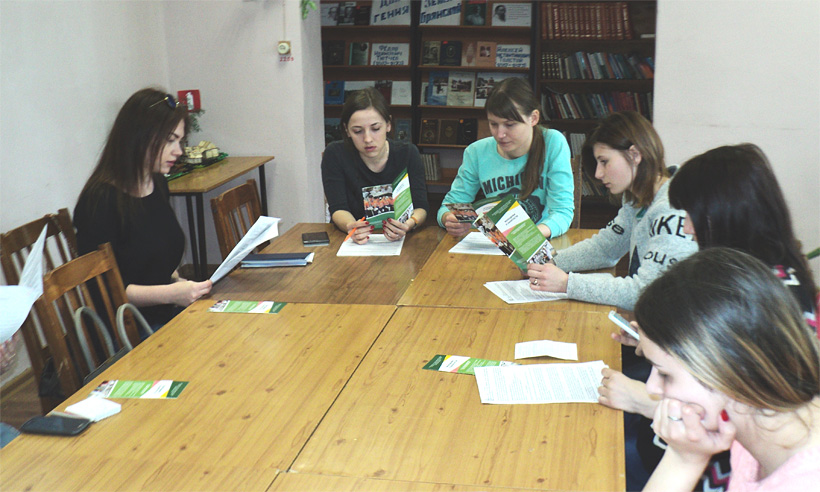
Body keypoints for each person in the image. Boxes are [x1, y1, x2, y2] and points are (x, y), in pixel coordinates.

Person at [598, 143, 819, 491]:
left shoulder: (768, 294)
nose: (687, 228)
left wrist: (642, 399)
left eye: (692, 214)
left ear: (725, 213)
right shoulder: (748, 273)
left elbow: (740, 401)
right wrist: (662, 342)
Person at [634, 248, 820, 492]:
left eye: (664, 374)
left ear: (731, 368)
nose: (652, 388)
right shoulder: (755, 420)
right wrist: (686, 456)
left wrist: (682, 462)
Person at [527, 110, 696, 309]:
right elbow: (605, 249)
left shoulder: (672, 209)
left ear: (634, 154)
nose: (598, 174)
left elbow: (646, 292)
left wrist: (567, 283)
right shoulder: (637, 199)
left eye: (604, 162)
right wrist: (548, 263)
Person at [74, 88, 212, 329]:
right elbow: (106, 289)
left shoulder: (157, 183)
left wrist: (180, 284)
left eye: (179, 141)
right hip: (127, 329)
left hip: (165, 313)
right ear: (139, 137)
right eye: (170, 140)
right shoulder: (99, 201)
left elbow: (158, 261)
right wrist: (172, 293)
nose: (178, 151)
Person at [437, 77, 574, 239]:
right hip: (495, 241)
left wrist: (529, 236)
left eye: (510, 125)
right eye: (493, 124)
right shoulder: (476, 152)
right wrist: (449, 219)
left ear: (533, 118)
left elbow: (562, 211)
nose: (500, 134)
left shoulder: (552, 142)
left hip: (541, 239)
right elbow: (449, 206)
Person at [322, 87, 429, 244]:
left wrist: (409, 224)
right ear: (347, 130)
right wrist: (351, 227)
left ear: (388, 125)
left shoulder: (407, 153)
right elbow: (338, 208)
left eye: (375, 129)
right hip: (353, 241)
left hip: (400, 240)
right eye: (357, 131)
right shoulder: (335, 154)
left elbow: (421, 207)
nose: (367, 139)